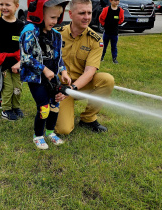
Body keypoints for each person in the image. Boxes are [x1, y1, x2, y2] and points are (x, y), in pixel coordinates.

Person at [55, 0, 115, 134]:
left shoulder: (95, 40)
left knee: (107, 80)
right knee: (63, 130)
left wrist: (72, 88)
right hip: (57, 88)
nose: (87, 17)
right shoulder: (56, 34)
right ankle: (49, 106)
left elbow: (90, 72)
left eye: (89, 13)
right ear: (70, 14)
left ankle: (88, 119)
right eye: (82, 13)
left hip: (77, 87)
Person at [20, 0, 71, 149]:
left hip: (52, 77)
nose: (55, 22)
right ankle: (38, 135)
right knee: (44, 107)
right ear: (40, 14)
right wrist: (43, 69)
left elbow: (58, 57)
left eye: (58, 18)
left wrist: (63, 71)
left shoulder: (55, 35)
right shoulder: (29, 32)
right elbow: (26, 57)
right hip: (36, 78)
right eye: (52, 18)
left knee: (55, 104)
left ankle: (50, 132)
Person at [0, 0, 24, 120]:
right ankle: (6, 109)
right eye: (2, 4)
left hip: (17, 61)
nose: (4, 7)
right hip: (2, 61)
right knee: (7, 87)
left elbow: (24, 45)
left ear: (16, 6)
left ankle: (16, 107)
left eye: (7, 5)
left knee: (18, 87)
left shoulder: (20, 25)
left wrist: (20, 63)